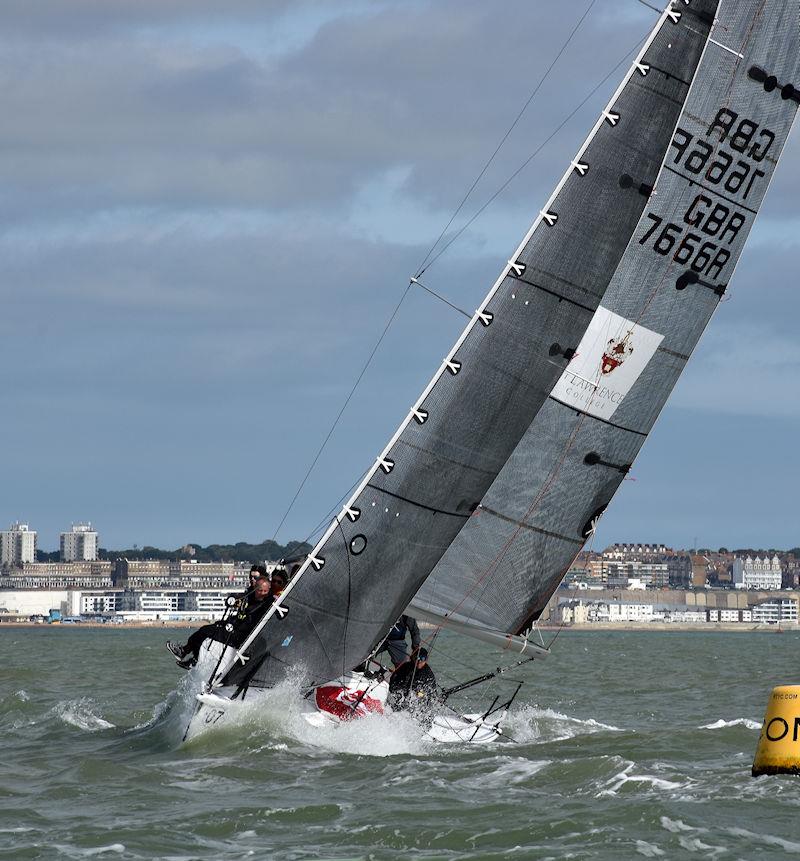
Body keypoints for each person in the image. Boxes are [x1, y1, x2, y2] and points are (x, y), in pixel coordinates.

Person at [166, 575, 274, 668]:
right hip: (234, 626)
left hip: (241, 635)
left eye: (265, 591)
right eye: (260, 590)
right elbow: (234, 597)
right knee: (205, 629)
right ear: (255, 588)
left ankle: (189, 656)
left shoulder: (268, 602)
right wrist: (232, 601)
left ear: (269, 590)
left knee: (206, 631)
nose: (262, 593)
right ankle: (189, 654)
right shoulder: (248, 596)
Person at [388, 648, 441, 714]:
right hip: (403, 694)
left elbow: (428, 693)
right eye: (417, 658)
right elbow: (394, 679)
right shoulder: (405, 666)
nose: (419, 661)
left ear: (426, 660)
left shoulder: (428, 674)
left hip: (420, 699)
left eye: (423, 658)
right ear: (413, 657)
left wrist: (418, 695)